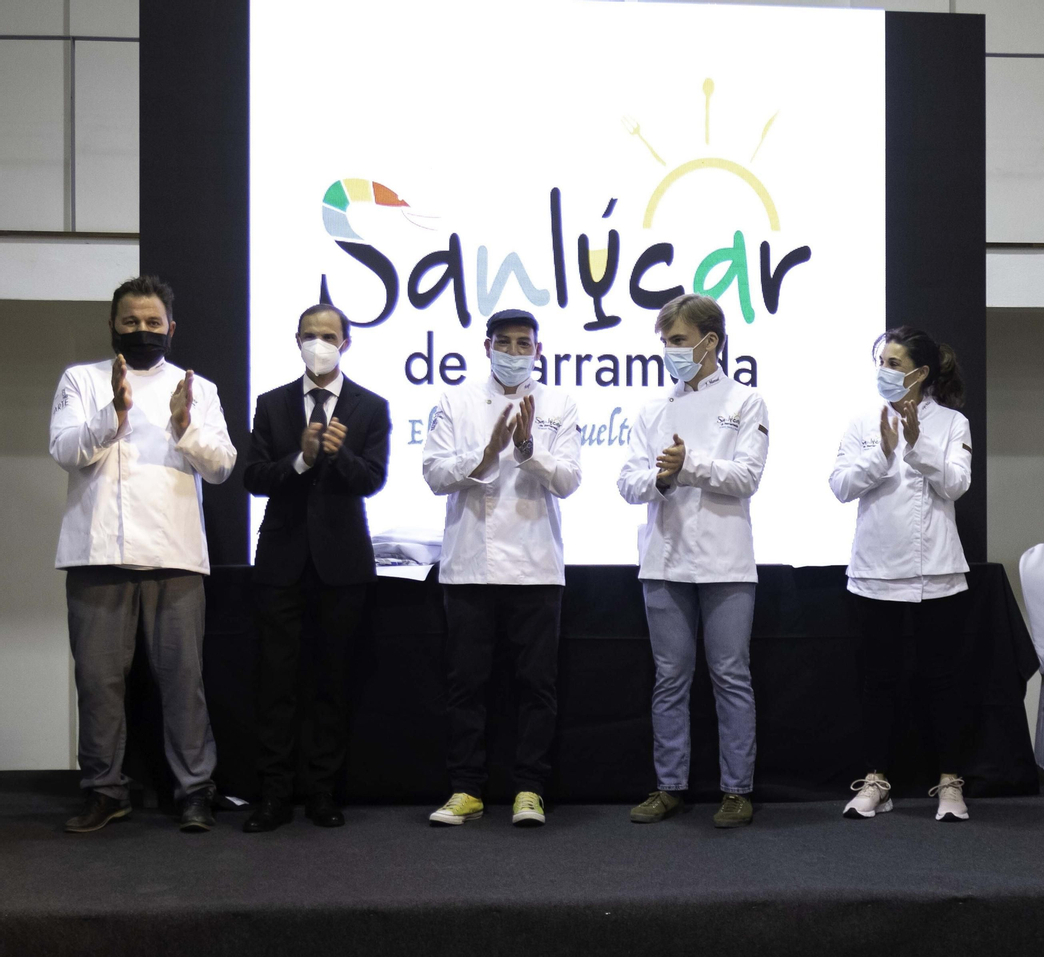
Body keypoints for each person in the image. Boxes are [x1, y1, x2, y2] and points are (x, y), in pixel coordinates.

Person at [49, 275, 236, 833]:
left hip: (175, 556)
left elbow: (222, 465)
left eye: (153, 322)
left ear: (171, 328)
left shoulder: (195, 387)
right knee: (98, 682)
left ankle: (194, 790)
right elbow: (63, 449)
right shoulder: (82, 380)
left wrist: (184, 426)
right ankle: (105, 790)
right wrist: (115, 413)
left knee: (183, 680)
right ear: (114, 325)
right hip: (97, 554)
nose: (142, 330)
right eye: (131, 321)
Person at [421, 309, 581, 828]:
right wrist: (487, 452)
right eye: (505, 343)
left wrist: (528, 450)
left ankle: (529, 789)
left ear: (538, 350)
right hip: (469, 565)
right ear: (486, 345)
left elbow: (570, 479)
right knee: (466, 684)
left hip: (536, 566)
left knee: (537, 685)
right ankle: (465, 789)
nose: (514, 354)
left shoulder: (559, 403)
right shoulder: (454, 401)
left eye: (523, 345)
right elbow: (434, 475)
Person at [618, 294, 769, 829]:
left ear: (711, 341)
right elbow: (628, 481)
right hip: (663, 559)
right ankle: (669, 786)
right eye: (664, 341)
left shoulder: (746, 402)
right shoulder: (653, 410)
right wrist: (661, 477)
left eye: (678, 340)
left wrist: (691, 464)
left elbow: (747, 478)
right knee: (669, 678)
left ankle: (736, 790)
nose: (669, 350)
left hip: (727, 562)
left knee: (730, 674)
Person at [239, 304, 390, 832]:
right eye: (309, 335)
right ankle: (274, 796)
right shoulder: (273, 403)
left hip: (342, 565)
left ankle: (323, 793)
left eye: (328, 335)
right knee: (276, 683)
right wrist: (301, 459)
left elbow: (371, 479)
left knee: (333, 682)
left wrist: (337, 452)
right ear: (295, 340)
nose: (318, 343)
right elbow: (254, 477)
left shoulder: (370, 406)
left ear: (346, 342)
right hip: (281, 561)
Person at [829, 327, 975, 822]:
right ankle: (876, 781)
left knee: (944, 681)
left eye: (895, 364)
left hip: (937, 573)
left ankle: (950, 782)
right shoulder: (861, 422)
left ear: (922, 373)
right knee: (878, 682)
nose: (885, 372)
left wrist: (916, 444)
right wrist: (885, 451)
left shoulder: (953, 423)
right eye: (882, 362)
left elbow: (956, 485)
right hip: (874, 572)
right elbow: (841, 486)